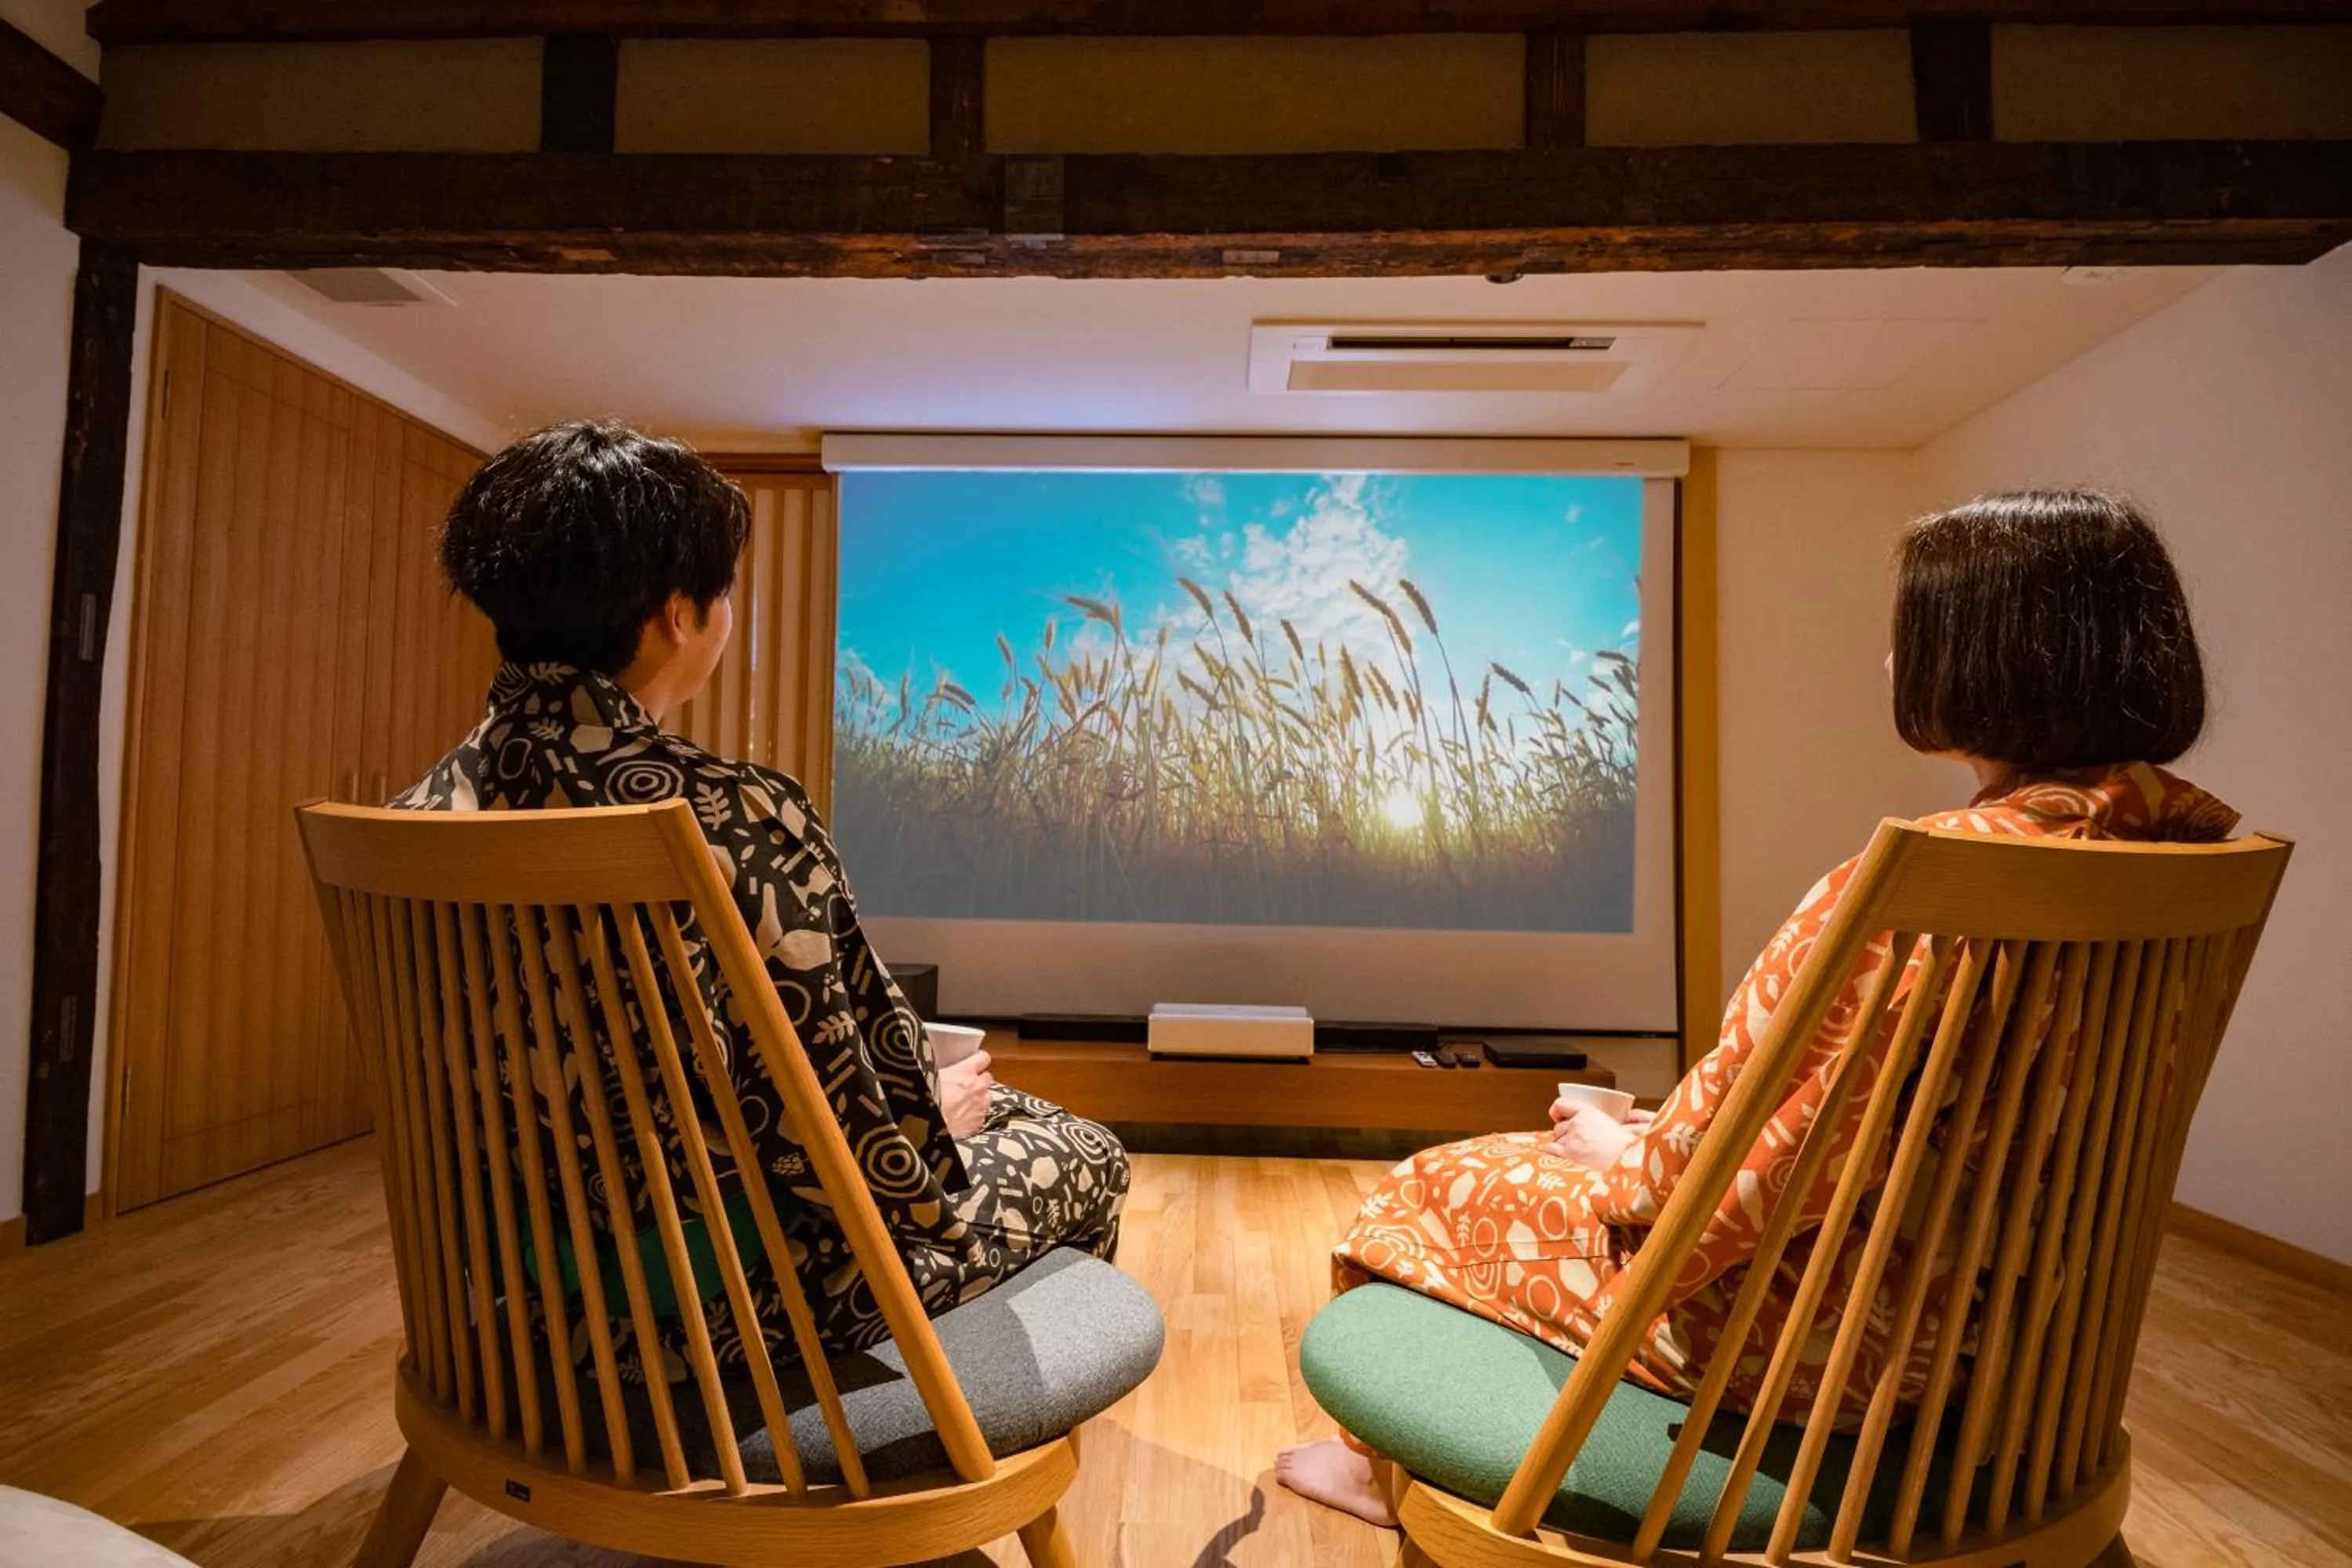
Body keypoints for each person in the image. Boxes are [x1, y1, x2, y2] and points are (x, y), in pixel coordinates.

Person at [1278, 489, 2239, 1526]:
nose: (1887, 663)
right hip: (2008, 1323)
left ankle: (1376, 1468)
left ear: (1990, 656)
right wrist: (1669, 1134)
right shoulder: (2170, 849)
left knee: (1426, 1185)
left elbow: (1711, 1210)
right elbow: (1889, 1126)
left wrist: (1633, 1162)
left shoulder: (1928, 892)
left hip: (1827, 1341)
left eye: (1907, 635)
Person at [397, 419, 1130, 1386]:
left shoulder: (424, 809)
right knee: (1087, 1148)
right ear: (675, 613)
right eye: (723, 589)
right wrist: (931, 1123)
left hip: (514, 1286)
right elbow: (860, 1151)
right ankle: (890, 1438)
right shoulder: (734, 814)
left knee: (1001, 1110)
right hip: (725, 1305)